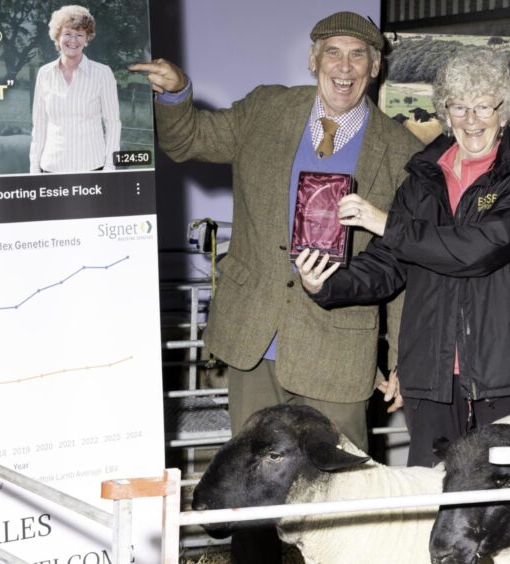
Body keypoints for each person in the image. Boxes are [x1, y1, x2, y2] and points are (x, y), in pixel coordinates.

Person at [130, 11, 420, 454]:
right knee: (253, 484)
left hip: (338, 354)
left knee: (334, 488)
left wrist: (402, 360)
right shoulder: (266, 109)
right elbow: (189, 140)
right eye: (333, 53)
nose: (344, 67)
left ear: (376, 66)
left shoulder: (402, 152)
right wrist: (176, 95)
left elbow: (401, 267)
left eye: (358, 55)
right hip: (255, 338)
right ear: (312, 59)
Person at [296, 47, 510, 468]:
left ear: (504, 113)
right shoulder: (421, 179)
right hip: (431, 376)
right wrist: (325, 282)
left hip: (505, 371)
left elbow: (481, 249)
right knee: (431, 490)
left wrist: (388, 224)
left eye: (483, 106)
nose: (471, 120)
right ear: (445, 113)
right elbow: (387, 263)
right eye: (459, 106)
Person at [29, 5, 121, 173]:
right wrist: (34, 169)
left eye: (80, 35)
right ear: (57, 37)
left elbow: (113, 123)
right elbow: (39, 124)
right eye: (67, 34)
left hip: (92, 167)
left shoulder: (102, 73)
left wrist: (109, 167)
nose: (73, 40)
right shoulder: (44, 73)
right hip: (51, 168)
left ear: (87, 39)